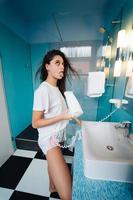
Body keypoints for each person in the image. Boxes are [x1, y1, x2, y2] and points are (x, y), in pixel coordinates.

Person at [32, 49, 78, 200]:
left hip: (58, 137)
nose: (62, 67)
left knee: (52, 165)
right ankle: (56, 188)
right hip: (49, 140)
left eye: (63, 64)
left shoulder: (57, 89)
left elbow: (63, 113)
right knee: (68, 195)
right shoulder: (43, 91)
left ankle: (52, 187)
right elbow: (35, 123)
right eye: (57, 63)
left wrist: (77, 120)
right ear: (47, 66)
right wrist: (61, 117)